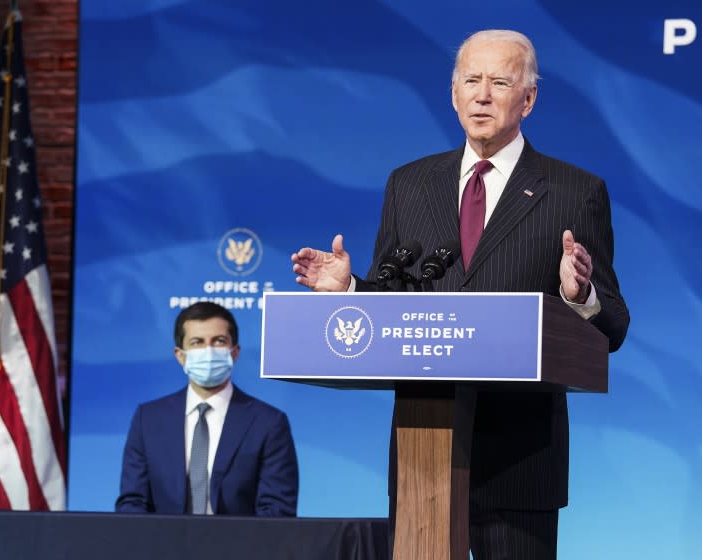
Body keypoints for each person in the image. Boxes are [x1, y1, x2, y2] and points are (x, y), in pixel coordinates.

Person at [291, 29, 629, 559]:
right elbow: (392, 301)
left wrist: (577, 294)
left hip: (521, 462)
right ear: (453, 94)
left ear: (529, 98)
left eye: (499, 81)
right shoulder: (410, 184)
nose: (482, 94)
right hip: (424, 451)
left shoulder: (573, 191)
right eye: (470, 80)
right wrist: (350, 290)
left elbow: (613, 327)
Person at [116, 301, 298, 516]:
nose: (208, 351)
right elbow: (133, 503)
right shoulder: (148, 419)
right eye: (197, 342)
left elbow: (277, 511)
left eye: (219, 341)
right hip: (163, 547)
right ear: (180, 355)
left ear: (235, 352)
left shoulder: (268, 422)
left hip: (240, 548)